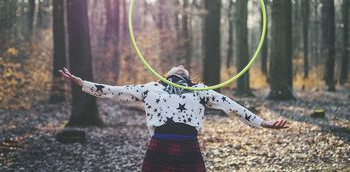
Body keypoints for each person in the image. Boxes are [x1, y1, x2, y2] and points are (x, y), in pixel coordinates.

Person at [59, 65, 288, 172]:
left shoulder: (201, 90)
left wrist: (264, 123)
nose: (181, 66)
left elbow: (233, 107)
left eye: (184, 67)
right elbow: (114, 91)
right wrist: (82, 84)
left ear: (188, 77)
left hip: (188, 146)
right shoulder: (151, 88)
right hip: (161, 144)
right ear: (166, 75)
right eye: (177, 66)